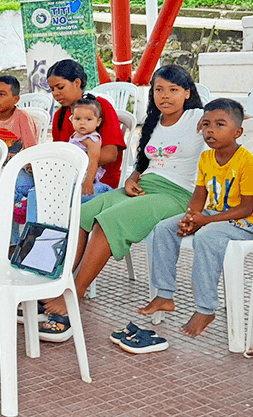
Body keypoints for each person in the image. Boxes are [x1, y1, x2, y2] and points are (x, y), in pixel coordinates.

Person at [41, 65, 205, 340]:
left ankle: (73, 298)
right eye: (158, 90)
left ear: (188, 93)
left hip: (177, 194)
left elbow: (231, 120)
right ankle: (60, 282)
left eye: (173, 90)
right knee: (82, 212)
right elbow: (144, 162)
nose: (165, 96)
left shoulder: (197, 117)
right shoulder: (154, 121)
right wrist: (132, 178)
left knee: (110, 220)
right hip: (144, 186)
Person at [139, 99, 253, 339]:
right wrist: (191, 217)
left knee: (207, 236)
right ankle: (165, 293)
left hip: (244, 222)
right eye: (206, 124)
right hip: (213, 215)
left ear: (237, 132)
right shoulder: (206, 159)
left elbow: (246, 208)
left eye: (219, 124)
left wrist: (205, 222)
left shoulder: (246, 161)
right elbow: (199, 195)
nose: (210, 130)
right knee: (164, 228)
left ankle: (205, 308)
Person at [25, 60, 126, 222]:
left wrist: (73, 162)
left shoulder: (100, 107)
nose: (55, 94)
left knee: (40, 195)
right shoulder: (59, 116)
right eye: (52, 90)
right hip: (70, 178)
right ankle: (27, 240)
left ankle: (44, 240)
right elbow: (61, 152)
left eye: (60, 87)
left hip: (98, 182)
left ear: (77, 83)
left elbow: (110, 154)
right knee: (21, 186)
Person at [0, 74, 37, 233]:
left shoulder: (21, 117)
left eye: (2, 94)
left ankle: (23, 203)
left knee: (4, 190)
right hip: (1, 168)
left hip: (21, 170)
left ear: (15, 99)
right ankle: (11, 242)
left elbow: (31, 150)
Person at [68, 96, 112, 199]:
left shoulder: (92, 139)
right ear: (72, 119)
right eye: (77, 119)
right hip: (73, 170)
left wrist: (88, 182)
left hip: (85, 173)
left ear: (98, 122)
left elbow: (94, 161)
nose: (82, 123)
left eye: (88, 119)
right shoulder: (76, 135)